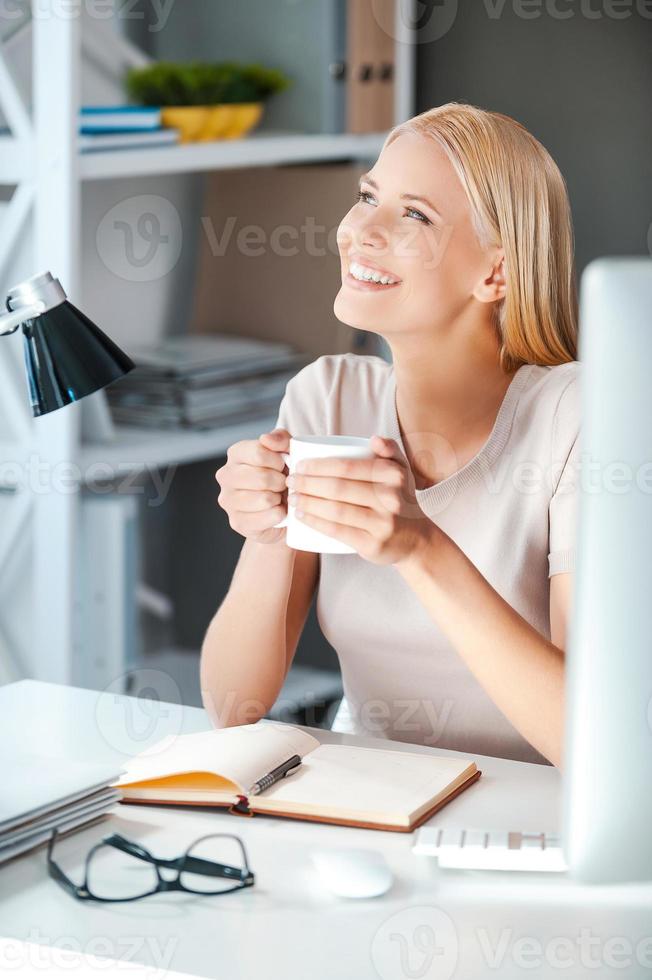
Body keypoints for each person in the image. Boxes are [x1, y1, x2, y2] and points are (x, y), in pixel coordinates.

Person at [201, 102, 579, 768]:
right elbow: (233, 710)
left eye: (413, 214)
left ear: (495, 272)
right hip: (379, 809)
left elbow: (592, 743)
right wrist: (267, 536)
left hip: (537, 826)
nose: (358, 231)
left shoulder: (577, 419)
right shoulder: (329, 398)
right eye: (368, 196)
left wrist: (421, 548)